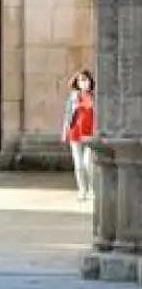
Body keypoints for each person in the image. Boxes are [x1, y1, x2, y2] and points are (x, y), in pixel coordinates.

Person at [62, 69, 96, 201]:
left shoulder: (94, 97)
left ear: (90, 82)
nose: (84, 83)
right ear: (77, 82)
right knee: (79, 164)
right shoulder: (73, 97)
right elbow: (67, 114)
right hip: (75, 132)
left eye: (86, 80)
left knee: (88, 163)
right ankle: (82, 190)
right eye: (81, 80)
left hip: (89, 133)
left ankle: (92, 189)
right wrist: (64, 131)